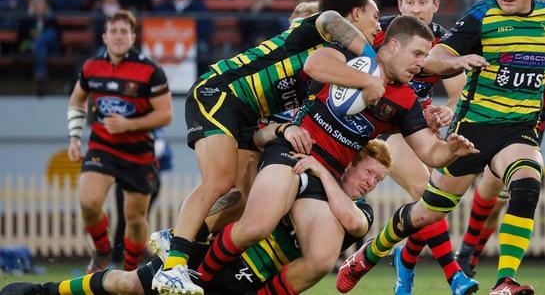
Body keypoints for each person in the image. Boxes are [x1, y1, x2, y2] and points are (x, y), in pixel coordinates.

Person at [336, 0, 545, 295]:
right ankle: (369, 254)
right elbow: (435, 58)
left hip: (518, 131)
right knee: (426, 212)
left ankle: (504, 282)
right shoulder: (480, 16)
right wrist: (458, 60)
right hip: (472, 133)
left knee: (528, 178)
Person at [195, 15, 478, 294]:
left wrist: (450, 150)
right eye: (417, 53)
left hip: (327, 173)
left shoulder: (406, 101)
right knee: (257, 225)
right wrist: (366, 82)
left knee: (321, 259)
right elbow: (315, 63)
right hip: (294, 150)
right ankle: (198, 279)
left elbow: (430, 153)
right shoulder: (356, 56)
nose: (422, 62)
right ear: (393, 45)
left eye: (426, 55)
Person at [152, 0, 385, 294]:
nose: (378, 26)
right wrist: (371, 63)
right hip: (222, 92)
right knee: (219, 180)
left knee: (247, 200)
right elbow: (331, 17)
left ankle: (181, 236)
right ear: (356, 13)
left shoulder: (341, 64)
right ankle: (175, 263)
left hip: (248, 117)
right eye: (374, 17)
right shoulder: (323, 31)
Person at [0, 138, 391, 295]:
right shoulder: (298, 174)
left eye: (379, 179)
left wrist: (322, 173)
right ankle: (45, 292)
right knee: (128, 285)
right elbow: (243, 197)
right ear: (350, 162)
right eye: (369, 172)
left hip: (254, 280)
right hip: (218, 255)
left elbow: (354, 224)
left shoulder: (361, 210)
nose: (372, 182)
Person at [451, 0, 545, 278]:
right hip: (494, 116)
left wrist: (527, 60)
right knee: (489, 190)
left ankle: (472, 254)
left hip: (532, 121)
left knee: (502, 193)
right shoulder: (494, 21)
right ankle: (469, 251)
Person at [373, 0, 475, 295]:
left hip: (416, 129)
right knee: (425, 190)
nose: (416, 9)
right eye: (410, 2)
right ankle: (454, 275)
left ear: (436, 5)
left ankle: (406, 257)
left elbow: (459, 94)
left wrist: (448, 110)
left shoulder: (444, 43)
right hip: (380, 127)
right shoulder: (378, 33)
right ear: (399, 4)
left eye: (423, 2)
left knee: (435, 202)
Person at [67, 10, 173, 273]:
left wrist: (130, 124)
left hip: (138, 153)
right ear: (104, 36)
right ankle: (103, 253)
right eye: (113, 31)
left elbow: (166, 114)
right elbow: (76, 100)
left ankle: (130, 271)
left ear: (133, 37)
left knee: (135, 220)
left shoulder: (151, 70)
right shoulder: (91, 67)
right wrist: (74, 136)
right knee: (88, 202)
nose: (118, 36)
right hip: (103, 147)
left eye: (124, 31)